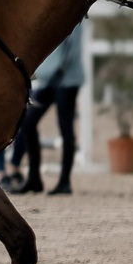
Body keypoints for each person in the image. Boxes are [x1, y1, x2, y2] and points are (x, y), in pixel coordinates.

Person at [11, 20, 86, 195]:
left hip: (66, 80)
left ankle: (64, 181)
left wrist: (59, 69)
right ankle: (34, 177)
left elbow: (72, 49)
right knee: (28, 122)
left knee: (65, 127)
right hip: (48, 81)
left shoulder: (76, 17)